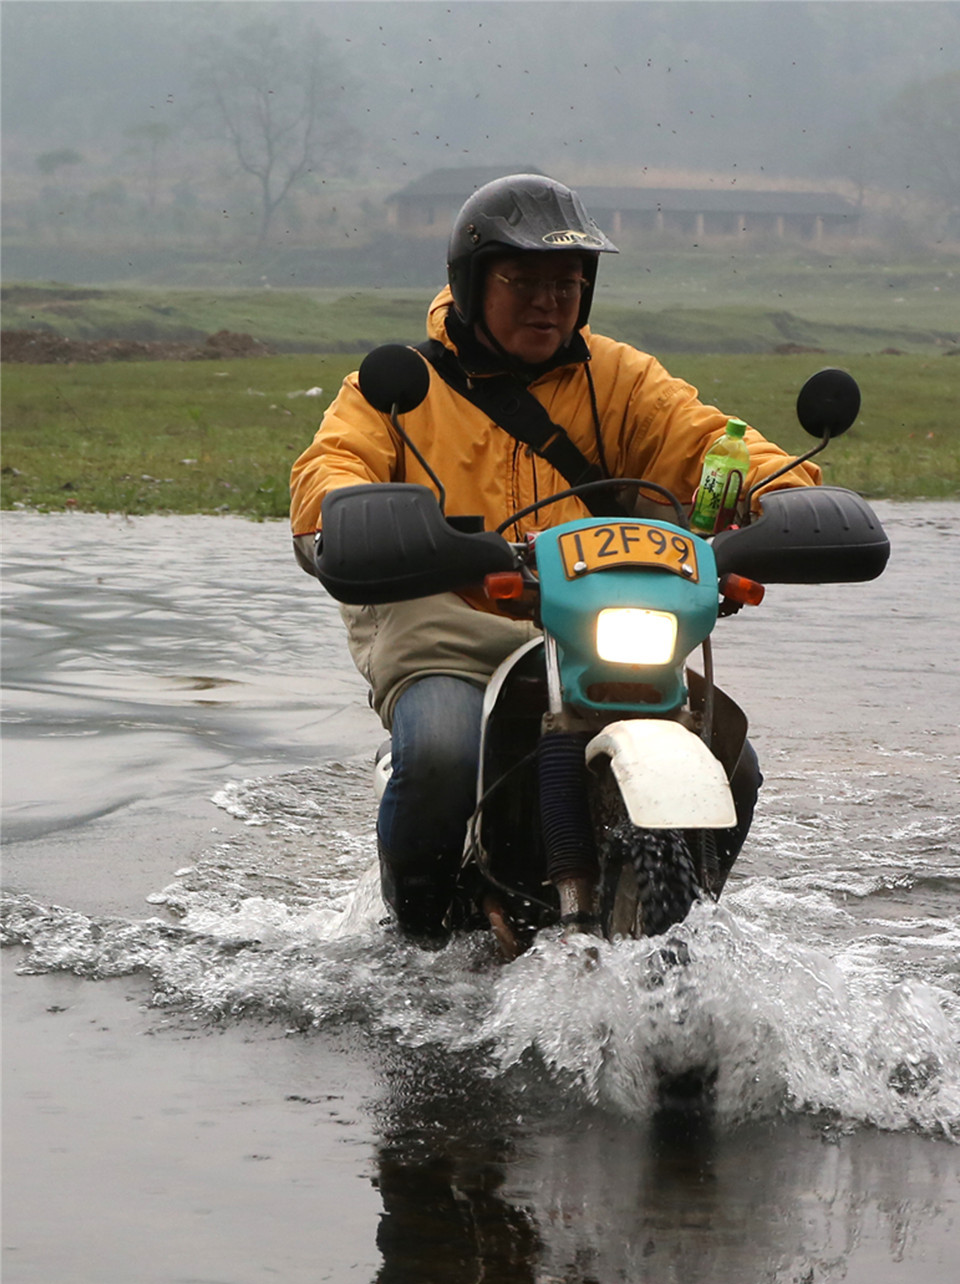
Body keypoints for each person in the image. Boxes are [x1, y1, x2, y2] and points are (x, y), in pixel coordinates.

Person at [291, 174, 819, 943]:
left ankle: (679, 931)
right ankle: (420, 938)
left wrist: (779, 492)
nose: (549, 302)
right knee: (440, 752)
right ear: (472, 285)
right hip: (452, 631)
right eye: (523, 282)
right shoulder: (396, 388)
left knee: (733, 760)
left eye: (567, 284)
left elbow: (708, 437)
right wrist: (354, 516)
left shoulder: (620, 378)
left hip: (591, 627)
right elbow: (328, 473)